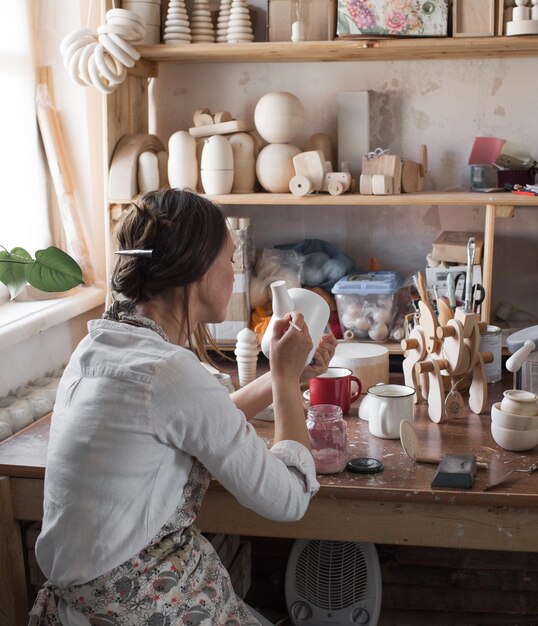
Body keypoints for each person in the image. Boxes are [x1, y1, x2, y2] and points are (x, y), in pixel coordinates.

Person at [30, 188, 337, 625]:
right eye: (229, 260)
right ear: (196, 268)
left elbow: (197, 417)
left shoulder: (98, 346)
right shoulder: (170, 371)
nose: (234, 273)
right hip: (138, 607)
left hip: (86, 604)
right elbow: (287, 500)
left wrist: (286, 378)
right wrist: (286, 380)